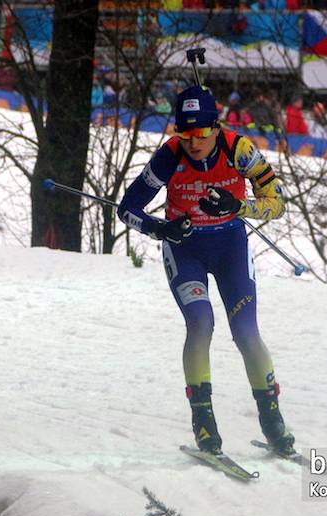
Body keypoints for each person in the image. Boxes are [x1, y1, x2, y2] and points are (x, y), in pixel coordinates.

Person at [116, 85, 295, 456]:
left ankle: (273, 418)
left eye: (201, 133)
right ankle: (203, 422)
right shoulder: (169, 156)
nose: (193, 142)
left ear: (216, 127)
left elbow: (276, 203)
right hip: (186, 251)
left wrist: (239, 206)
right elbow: (127, 207)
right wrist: (159, 228)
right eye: (184, 133)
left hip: (230, 247)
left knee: (246, 331)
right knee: (201, 322)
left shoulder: (238, 149)